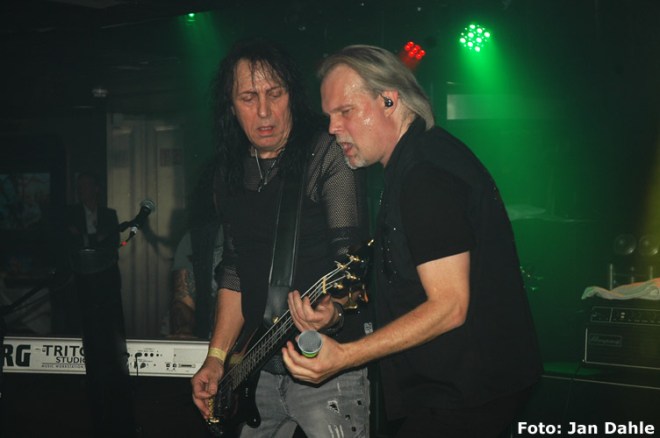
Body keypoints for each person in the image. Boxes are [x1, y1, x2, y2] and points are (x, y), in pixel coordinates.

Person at [282, 45, 543, 437]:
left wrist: (346, 356)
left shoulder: (425, 175)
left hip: (467, 392)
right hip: (462, 388)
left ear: (389, 100)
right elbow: (405, 281)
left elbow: (449, 306)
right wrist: (336, 310)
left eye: (345, 111)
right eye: (329, 115)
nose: (333, 127)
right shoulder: (414, 162)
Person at [191, 39, 371, 437]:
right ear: (230, 106)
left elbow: (351, 262)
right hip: (255, 369)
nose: (264, 111)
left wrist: (333, 310)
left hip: (325, 365)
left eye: (275, 94)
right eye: (248, 98)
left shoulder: (326, 154)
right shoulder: (228, 173)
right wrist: (216, 358)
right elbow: (235, 271)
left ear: (292, 95)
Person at [63, 171, 136, 437]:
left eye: (86, 186)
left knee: (109, 333)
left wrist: (87, 238)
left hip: (106, 284)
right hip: (81, 285)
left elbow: (111, 245)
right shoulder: (70, 214)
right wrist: (92, 239)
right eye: (79, 186)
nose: (82, 190)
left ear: (96, 188)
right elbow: (71, 245)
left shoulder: (109, 214)